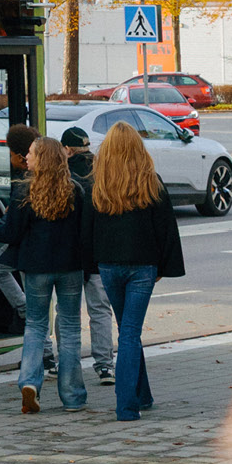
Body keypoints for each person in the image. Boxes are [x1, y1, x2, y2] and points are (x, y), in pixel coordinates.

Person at [0, 138, 92, 414]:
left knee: (35, 326)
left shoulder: (24, 191)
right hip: (70, 268)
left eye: (30, 153)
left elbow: (11, 234)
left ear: (41, 158)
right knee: (68, 329)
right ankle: (73, 396)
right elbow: (85, 233)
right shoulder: (75, 189)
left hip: (35, 268)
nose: (26, 158)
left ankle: (30, 383)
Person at [85, 122, 185, 421]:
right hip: (143, 264)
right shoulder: (151, 182)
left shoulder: (98, 184)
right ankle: (127, 406)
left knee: (127, 330)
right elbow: (166, 229)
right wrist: (164, 268)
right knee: (130, 333)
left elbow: (88, 231)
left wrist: (90, 265)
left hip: (108, 265)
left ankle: (143, 395)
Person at [60, 127, 117, 386]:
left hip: (71, 255)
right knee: (100, 310)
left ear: (68, 150)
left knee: (67, 311)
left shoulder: (62, 175)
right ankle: (105, 366)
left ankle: (65, 362)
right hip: (99, 254)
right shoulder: (103, 172)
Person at [0, 124, 37, 343]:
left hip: (29, 251)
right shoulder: (58, 178)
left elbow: (12, 231)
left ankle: (44, 356)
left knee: (36, 313)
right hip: (55, 255)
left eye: (10, 154)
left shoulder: (24, 184)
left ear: (21, 156)